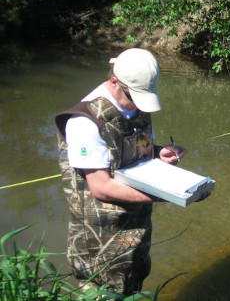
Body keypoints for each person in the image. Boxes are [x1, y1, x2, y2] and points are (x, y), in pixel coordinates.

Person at [54, 48, 189, 297]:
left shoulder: (134, 105)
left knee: (132, 284)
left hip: (135, 231)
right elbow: (101, 187)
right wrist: (167, 195)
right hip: (100, 240)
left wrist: (158, 153)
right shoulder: (85, 122)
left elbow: (125, 153)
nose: (140, 104)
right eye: (136, 96)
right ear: (116, 82)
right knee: (103, 293)